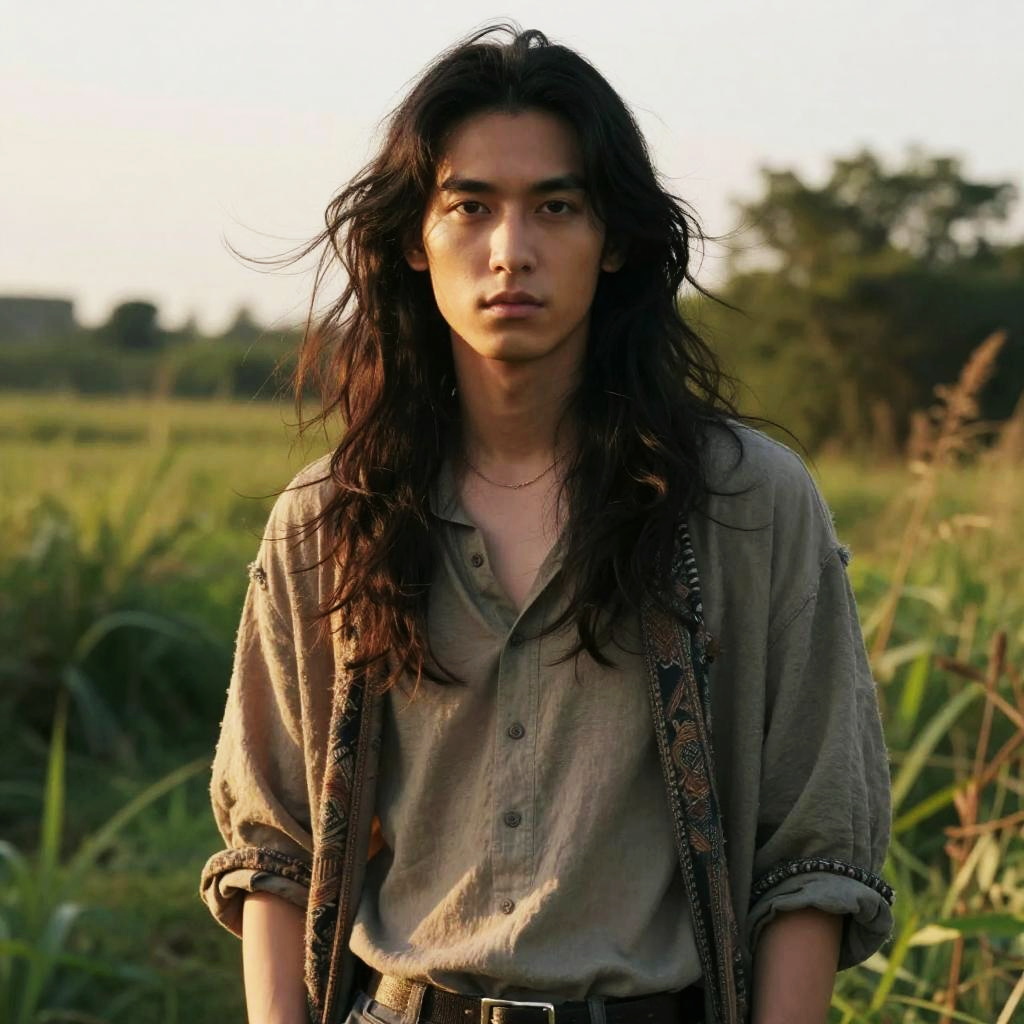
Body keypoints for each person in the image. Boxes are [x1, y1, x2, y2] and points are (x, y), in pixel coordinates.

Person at [199, 24, 894, 1024]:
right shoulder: (329, 518)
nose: (510, 252)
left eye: (555, 207)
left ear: (613, 239)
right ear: (412, 237)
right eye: (469, 207)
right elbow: (273, 848)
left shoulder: (745, 505)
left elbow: (814, 850)